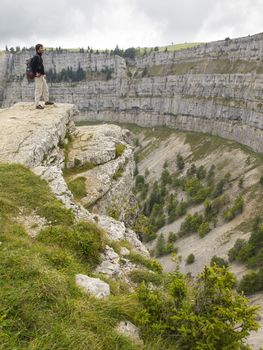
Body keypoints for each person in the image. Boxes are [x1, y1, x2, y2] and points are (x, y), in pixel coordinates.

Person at [31, 43, 54, 109]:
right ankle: (37, 104)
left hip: (41, 76)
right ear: (38, 50)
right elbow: (33, 66)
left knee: (45, 88)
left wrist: (43, 73)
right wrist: (35, 74)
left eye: (42, 48)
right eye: (41, 48)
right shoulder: (36, 57)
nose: (43, 49)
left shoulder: (39, 56)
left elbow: (40, 66)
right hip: (38, 77)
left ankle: (46, 101)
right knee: (38, 90)